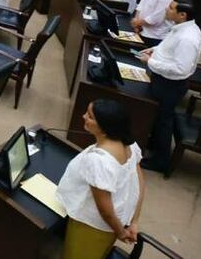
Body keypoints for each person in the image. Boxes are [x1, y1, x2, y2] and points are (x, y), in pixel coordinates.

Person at [56, 99, 145, 258]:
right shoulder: (130, 146)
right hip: (116, 223)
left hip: (91, 226)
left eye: (90, 116)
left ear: (104, 129)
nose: (83, 116)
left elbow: (105, 210)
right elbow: (139, 184)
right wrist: (134, 221)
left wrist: (121, 233)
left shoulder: (99, 161)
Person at [137, 0, 201, 172]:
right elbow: (168, 47)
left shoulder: (188, 38)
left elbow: (180, 69)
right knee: (157, 118)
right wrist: (155, 51)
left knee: (163, 122)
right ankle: (151, 146)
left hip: (170, 85)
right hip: (162, 80)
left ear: (183, 14)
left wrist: (151, 62)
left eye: (171, 8)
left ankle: (160, 161)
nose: (167, 9)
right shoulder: (181, 27)